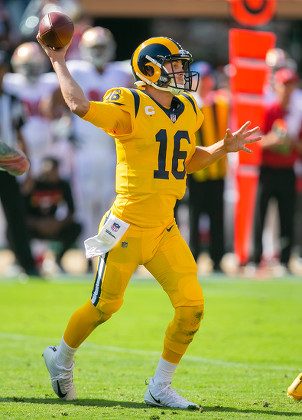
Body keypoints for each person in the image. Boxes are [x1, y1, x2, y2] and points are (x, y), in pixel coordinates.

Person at [37, 33, 260, 409]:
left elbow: (187, 161)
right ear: (149, 69)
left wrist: (223, 148)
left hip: (164, 229)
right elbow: (77, 105)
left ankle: (159, 386)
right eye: (174, 65)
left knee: (192, 307)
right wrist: (58, 60)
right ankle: (60, 359)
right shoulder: (129, 103)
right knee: (104, 306)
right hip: (126, 226)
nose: (182, 73)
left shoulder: (188, 109)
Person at [65, 26, 133, 268]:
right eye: (95, 47)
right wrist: (62, 124)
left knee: (111, 203)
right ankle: (88, 257)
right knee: (85, 204)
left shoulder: (122, 72)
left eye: (103, 47)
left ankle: (109, 254)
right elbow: (53, 100)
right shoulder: (76, 69)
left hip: (112, 147)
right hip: (84, 149)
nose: (99, 52)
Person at [248, 68, 302, 273]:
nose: (287, 90)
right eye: (284, 85)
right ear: (276, 87)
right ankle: (255, 259)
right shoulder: (267, 110)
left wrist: (291, 143)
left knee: (287, 216)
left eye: (291, 85)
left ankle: (285, 260)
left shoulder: (297, 113)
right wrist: (274, 140)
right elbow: (255, 141)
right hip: (267, 170)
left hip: (288, 170)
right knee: (260, 215)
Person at [0, 49, 40, 277]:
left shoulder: (12, 100)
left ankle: (26, 264)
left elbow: (20, 135)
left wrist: (28, 168)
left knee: (16, 215)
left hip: (6, 165)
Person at [187, 61, 229, 272]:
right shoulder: (188, 104)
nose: (204, 83)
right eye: (200, 79)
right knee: (193, 219)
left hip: (218, 171)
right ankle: (192, 258)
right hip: (195, 172)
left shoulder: (221, 103)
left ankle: (217, 259)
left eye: (207, 79)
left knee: (217, 218)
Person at [22, 157, 82, 272]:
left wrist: (58, 223)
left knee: (76, 227)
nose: (49, 175)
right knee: (13, 230)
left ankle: (58, 259)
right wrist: (37, 223)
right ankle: (22, 261)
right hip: (33, 225)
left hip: (53, 226)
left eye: (53, 171)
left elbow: (71, 211)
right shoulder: (32, 184)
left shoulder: (63, 185)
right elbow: (21, 213)